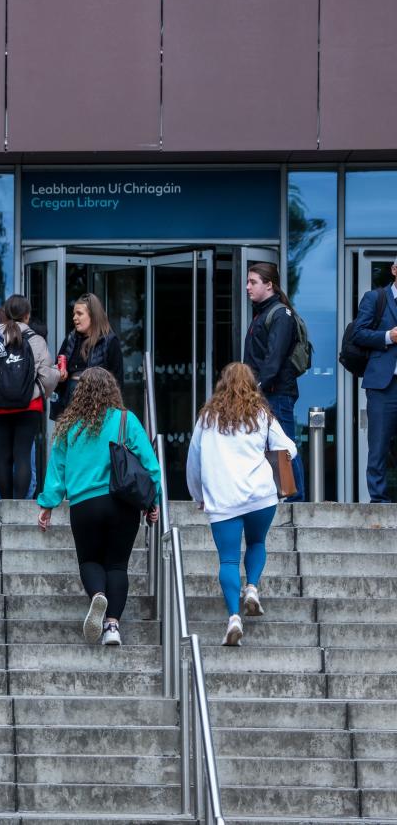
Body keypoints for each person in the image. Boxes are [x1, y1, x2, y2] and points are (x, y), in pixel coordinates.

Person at [38, 367, 160, 647]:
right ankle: (113, 626)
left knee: (90, 561)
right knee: (117, 565)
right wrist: (153, 500)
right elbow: (151, 465)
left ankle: (97, 596)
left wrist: (47, 504)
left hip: (84, 504)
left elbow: (57, 470)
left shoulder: (68, 426)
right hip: (122, 503)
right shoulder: (125, 420)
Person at [187, 362, 297, 647]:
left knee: (228, 559)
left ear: (221, 384)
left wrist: (198, 495)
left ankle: (234, 617)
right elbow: (290, 448)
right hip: (261, 496)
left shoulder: (207, 418)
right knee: (257, 543)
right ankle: (252, 588)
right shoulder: (261, 414)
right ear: (252, 384)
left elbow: (194, 463)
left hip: (223, 500)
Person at [243, 262, 307, 503]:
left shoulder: (280, 314)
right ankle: (286, 497)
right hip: (267, 392)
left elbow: (274, 359)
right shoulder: (263, 313)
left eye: (253, 282)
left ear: (269, 285)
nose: (248, 287)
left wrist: (255, 389)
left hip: (275, 393)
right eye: (248, 282)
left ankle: (296, 501)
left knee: (285, 447)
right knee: (274, 446)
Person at [0, 295, 59, 499]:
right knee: (23, 455)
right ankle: (19, 505)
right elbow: (47, 376)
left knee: (2, 457)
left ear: (6, 314)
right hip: (29, 406)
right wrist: (43, 392)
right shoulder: (36, 340)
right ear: (27, 316)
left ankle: (5, 503)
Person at [351, 256, 397, 503]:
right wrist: (388, 336)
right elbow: (358, 333)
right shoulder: (375, 298)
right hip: (383, 385)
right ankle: (379, 501)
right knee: (378, 445)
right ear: (394, 270)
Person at [51, 293, 124, 420]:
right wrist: (59, 376)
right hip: (69, 405)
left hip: (98, 407)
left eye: (79, 314)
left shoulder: (109, 341)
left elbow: (117, 381)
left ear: (93, 315)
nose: (74, 318)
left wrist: (113, 411)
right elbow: (57, 372)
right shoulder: (70, 339)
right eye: (74, 314)